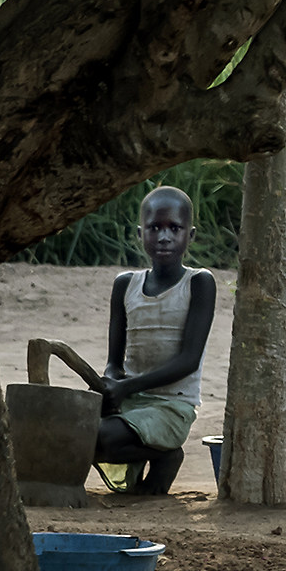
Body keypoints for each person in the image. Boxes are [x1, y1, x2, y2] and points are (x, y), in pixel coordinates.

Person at [95, 186, 215, 496]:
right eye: (155, 228)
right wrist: (110, 383)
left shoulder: (199, 283)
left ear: (191, 235)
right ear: (141, 233)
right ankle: (151, 456)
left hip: (171, 407)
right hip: (130, 401)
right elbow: (114, 362)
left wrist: (126, 387)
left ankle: (165, 454)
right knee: (73, 430)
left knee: (98, 438)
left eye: (174, 228)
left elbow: (188, 361)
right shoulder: (125, 285)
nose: (164, 237)